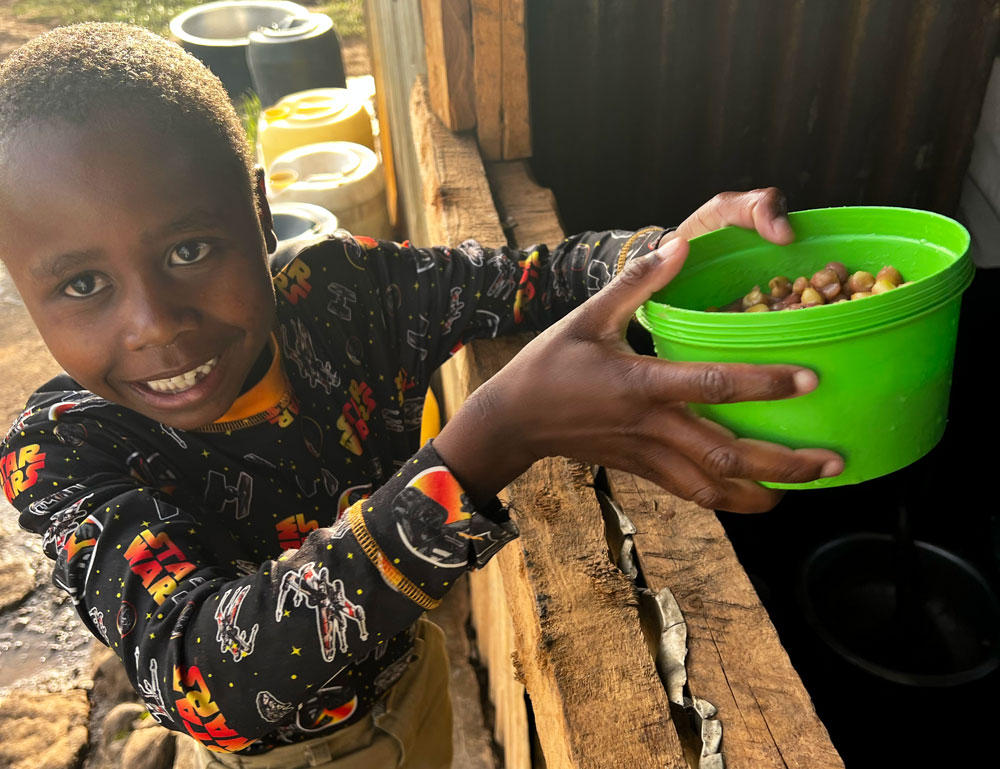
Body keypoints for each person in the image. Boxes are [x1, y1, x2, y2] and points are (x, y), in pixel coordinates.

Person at [0, 23, 842, 769]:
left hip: (413, 677)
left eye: (189, 250)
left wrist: (661, 255)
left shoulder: (343, 292)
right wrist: (493, 436)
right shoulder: (63, 454)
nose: (154, 324)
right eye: (81, 284)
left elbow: (523, 281)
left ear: (257, 212)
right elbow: (206, 675)